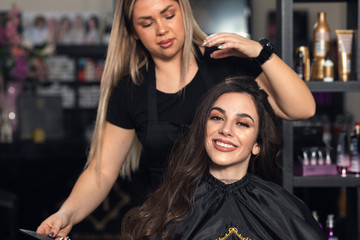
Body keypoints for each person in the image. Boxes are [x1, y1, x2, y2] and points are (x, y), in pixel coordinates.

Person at [37, 0, 316, 238]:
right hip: (169, 224)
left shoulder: (225, 63)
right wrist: (66, 214)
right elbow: (101, 171)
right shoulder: (131, 89)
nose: (161, 29)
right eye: (146, 23)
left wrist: (259, 51)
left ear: (184, 11)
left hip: (239, 218)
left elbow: (301, 109)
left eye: (168, 15)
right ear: (133, 32)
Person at [120, 76, 326, 240]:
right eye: (217, 118)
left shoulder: (283, 208)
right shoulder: (171, 205)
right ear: (203, 129)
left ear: (257, 145)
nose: (226, 130)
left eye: (242, 123)